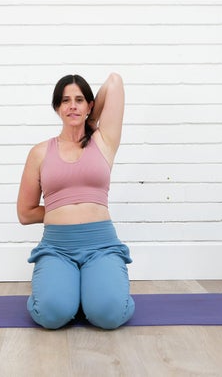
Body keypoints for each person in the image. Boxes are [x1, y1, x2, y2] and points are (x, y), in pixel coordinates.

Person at [16, 72, 134, 330]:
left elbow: (114, 82)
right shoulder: (39, 152)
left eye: (79, 100)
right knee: (51, 315)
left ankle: (93, 294)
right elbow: (25, 213)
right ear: (57, 107)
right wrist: (61, 210)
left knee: (109, 316)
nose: (72, 105)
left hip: (101, 245)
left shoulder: (104, 141)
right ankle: (67, 293)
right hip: (57, 248)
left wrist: (90, 120)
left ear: (89, 105)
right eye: (65, 100)